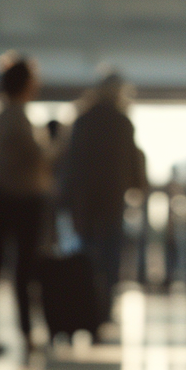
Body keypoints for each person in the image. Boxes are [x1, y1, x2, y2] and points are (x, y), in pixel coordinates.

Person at [0, 53, 52, 357]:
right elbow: (37, 159)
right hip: (21, 202)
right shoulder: (19, 119)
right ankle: (27, 333)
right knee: (22, 270)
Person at [59, 70, 143, 322]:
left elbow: (70, 163)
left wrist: (66, 201)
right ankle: (104, 309)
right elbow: (132, 163)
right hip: (112, 200)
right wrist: (136, 187)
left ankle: (85, 307)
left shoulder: (83, 120)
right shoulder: (122, 121)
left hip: (85, 200)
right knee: (110, 257)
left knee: (85, 255)